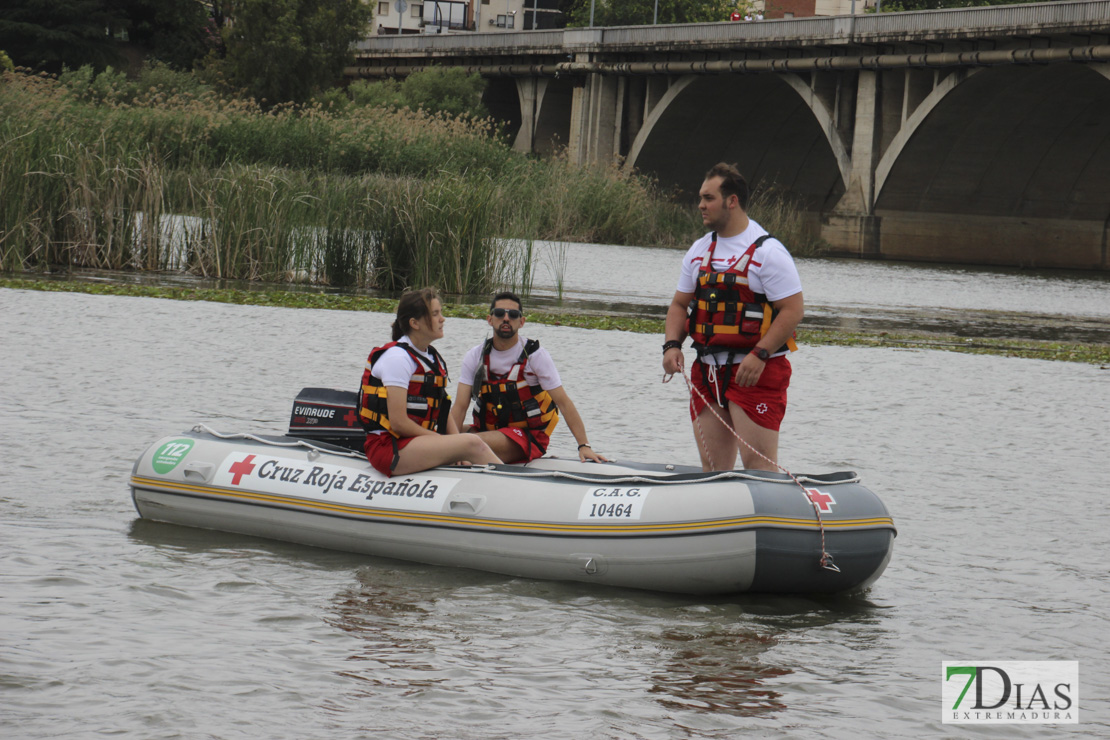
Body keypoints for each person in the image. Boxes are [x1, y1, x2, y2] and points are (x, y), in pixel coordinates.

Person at [662, 163, 804, 472]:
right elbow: (678, 305)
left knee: (758, 466)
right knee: (713, 468)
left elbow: (793, 311)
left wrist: (760, 354)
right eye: (701, 197)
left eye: (708, 198)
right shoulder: (699, 250)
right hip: (707, 373)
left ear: (732, 201)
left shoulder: (768, 252)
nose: (701, 205)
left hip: (755, 372)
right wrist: (671, 345)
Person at [450, 291, 609, 464]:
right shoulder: (475, 356)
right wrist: (444, 441)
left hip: (526, 438)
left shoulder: (535, 356)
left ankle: (462, 458)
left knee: (466, 443)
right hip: (488, 432)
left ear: (521, 322)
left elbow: (564, 402)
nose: (506, 318)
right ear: (490, 319)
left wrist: (584, 445)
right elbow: (460, 407)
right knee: (440, 434)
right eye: (499, 313)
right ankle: (452, 458)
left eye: (513, 315)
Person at [359, 287, 502, 477]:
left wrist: (453, 443)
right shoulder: (398, 359)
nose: (442, 319)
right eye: (435, 314)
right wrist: (445, 442)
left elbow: (442, 409)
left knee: (466, 448)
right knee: (472, 443)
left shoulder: (431, 358)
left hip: (416, 443)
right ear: (414, 323)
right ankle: (517, 484)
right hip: (388, 447)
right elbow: (399, 423)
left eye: (440, 313)